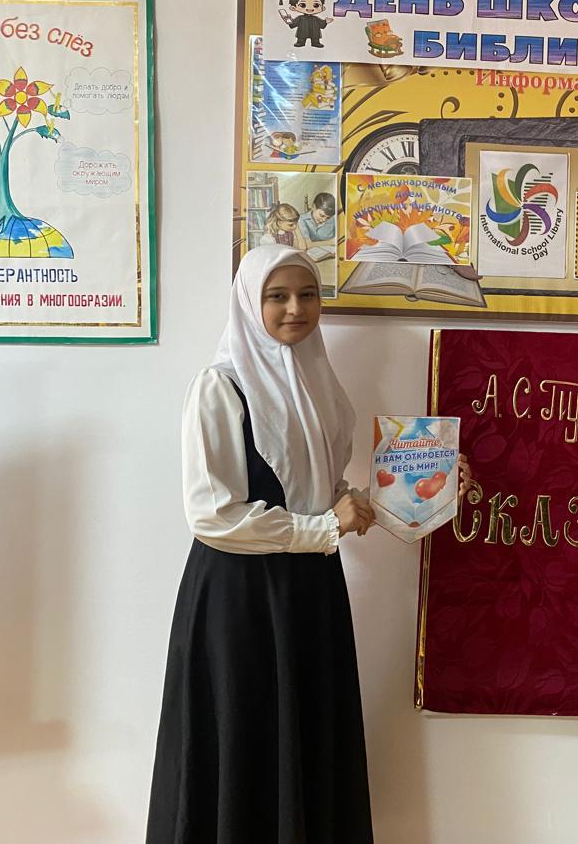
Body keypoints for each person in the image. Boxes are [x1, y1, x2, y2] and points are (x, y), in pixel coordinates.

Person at [147, 245, 471, 843]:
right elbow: (213, 516)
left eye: (308, 294)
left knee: (306, 739)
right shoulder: (219, 388)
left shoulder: (319, 383)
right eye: (277, 296)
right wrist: (324, 529)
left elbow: (324, 490)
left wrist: (430, 484)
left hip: (310, 588)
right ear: (250, 303)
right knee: (244, 740)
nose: (295, 309)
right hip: (240, 599)